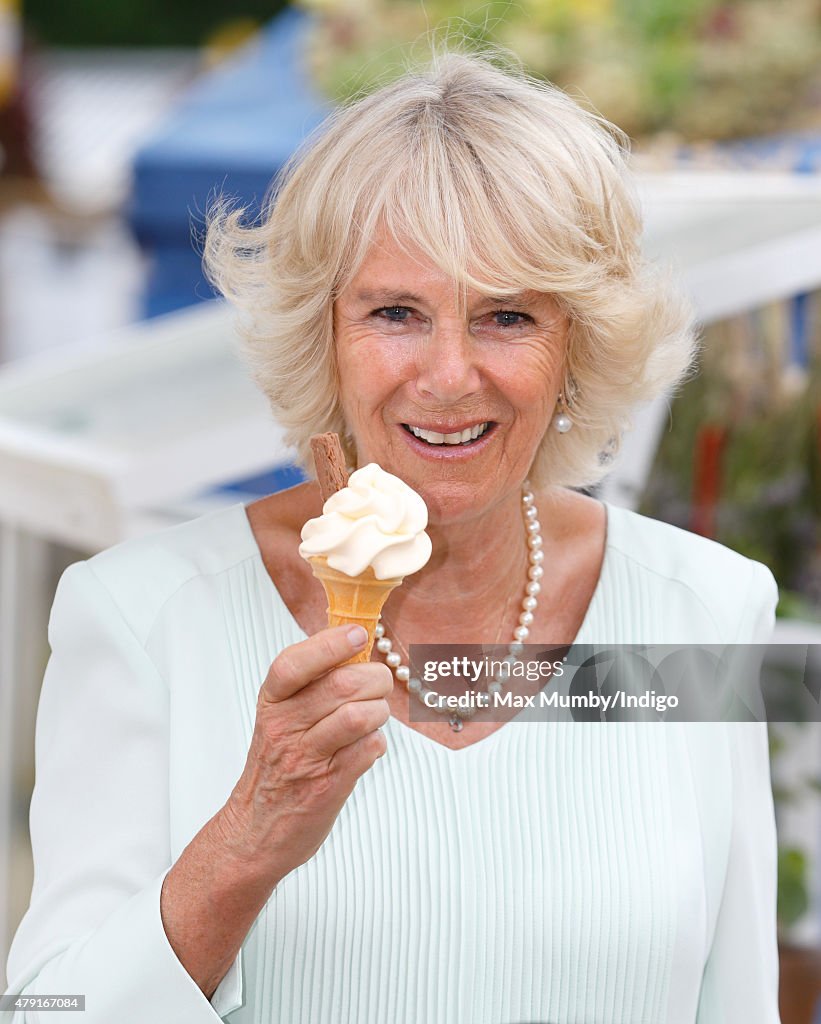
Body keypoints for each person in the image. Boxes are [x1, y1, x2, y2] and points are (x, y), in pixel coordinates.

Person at [6, 47, 780, 1023]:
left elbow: (740, 1001)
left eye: (506, 315)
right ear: (322, 334)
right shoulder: (143, 618)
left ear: (579, 342)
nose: (449, 374)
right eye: (395, 312)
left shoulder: (701, 613)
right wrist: (246, 840)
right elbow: (48, 1010)